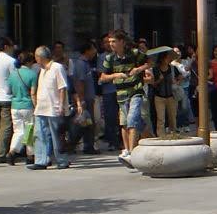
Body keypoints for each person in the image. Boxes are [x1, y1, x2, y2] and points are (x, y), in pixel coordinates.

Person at [99, 32, 147, 164]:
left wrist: (138, 69)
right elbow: (102, 77)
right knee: (124, 123)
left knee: (131, 119)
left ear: (122, 42)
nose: (111, 44)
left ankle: (132, 152)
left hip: (135, 91)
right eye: (110, 42)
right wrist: (116, 75)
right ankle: (127, 149)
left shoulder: (135, 53)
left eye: (114, 41)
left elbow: (149, 62)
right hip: (121, 94)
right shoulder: (110, 58)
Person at [30, 45, 70, 170]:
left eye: (36, 57)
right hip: (41, 107)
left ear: (40, 57)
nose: (35, 59)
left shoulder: (57, 68)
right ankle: (41, 160)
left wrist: (61, 105)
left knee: (56, 135)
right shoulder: (41, 70)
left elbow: (62, 87)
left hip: (54, 107)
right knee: (39, 134)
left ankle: (62, 160)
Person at [5, 51, 38, 166]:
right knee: (30, 130)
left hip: (15, 105)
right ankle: (30, 155)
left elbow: (8, 90)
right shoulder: (32, 74)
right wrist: (36, 106)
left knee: (18, 131)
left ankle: (12, 150)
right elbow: (33, 93)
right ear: (29, 61)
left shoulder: (12, 75)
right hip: (28, 105)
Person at [66, 41, 99, 155]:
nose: (95, 51)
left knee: (88, 123)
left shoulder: (86, 63)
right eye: (93, 49)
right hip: (85, 100)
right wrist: (81, 99)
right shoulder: (80, 64)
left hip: (89, 98)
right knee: (84, 123)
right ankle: (78, 145)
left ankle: (87, 145)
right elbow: (79, 82)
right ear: (88, 50)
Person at [149, 48, 181, 137]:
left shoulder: (172, 68)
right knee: (161, 118)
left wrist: (176, 82)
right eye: (167, 57)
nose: (168, 59)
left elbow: (181, 76)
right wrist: (159, 80)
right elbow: (152, 84)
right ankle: (161, 136)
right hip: (159, 97)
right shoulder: (155, 69)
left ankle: (173, 133)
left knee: (172, 117)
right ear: (162, 58)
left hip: (171, 96)